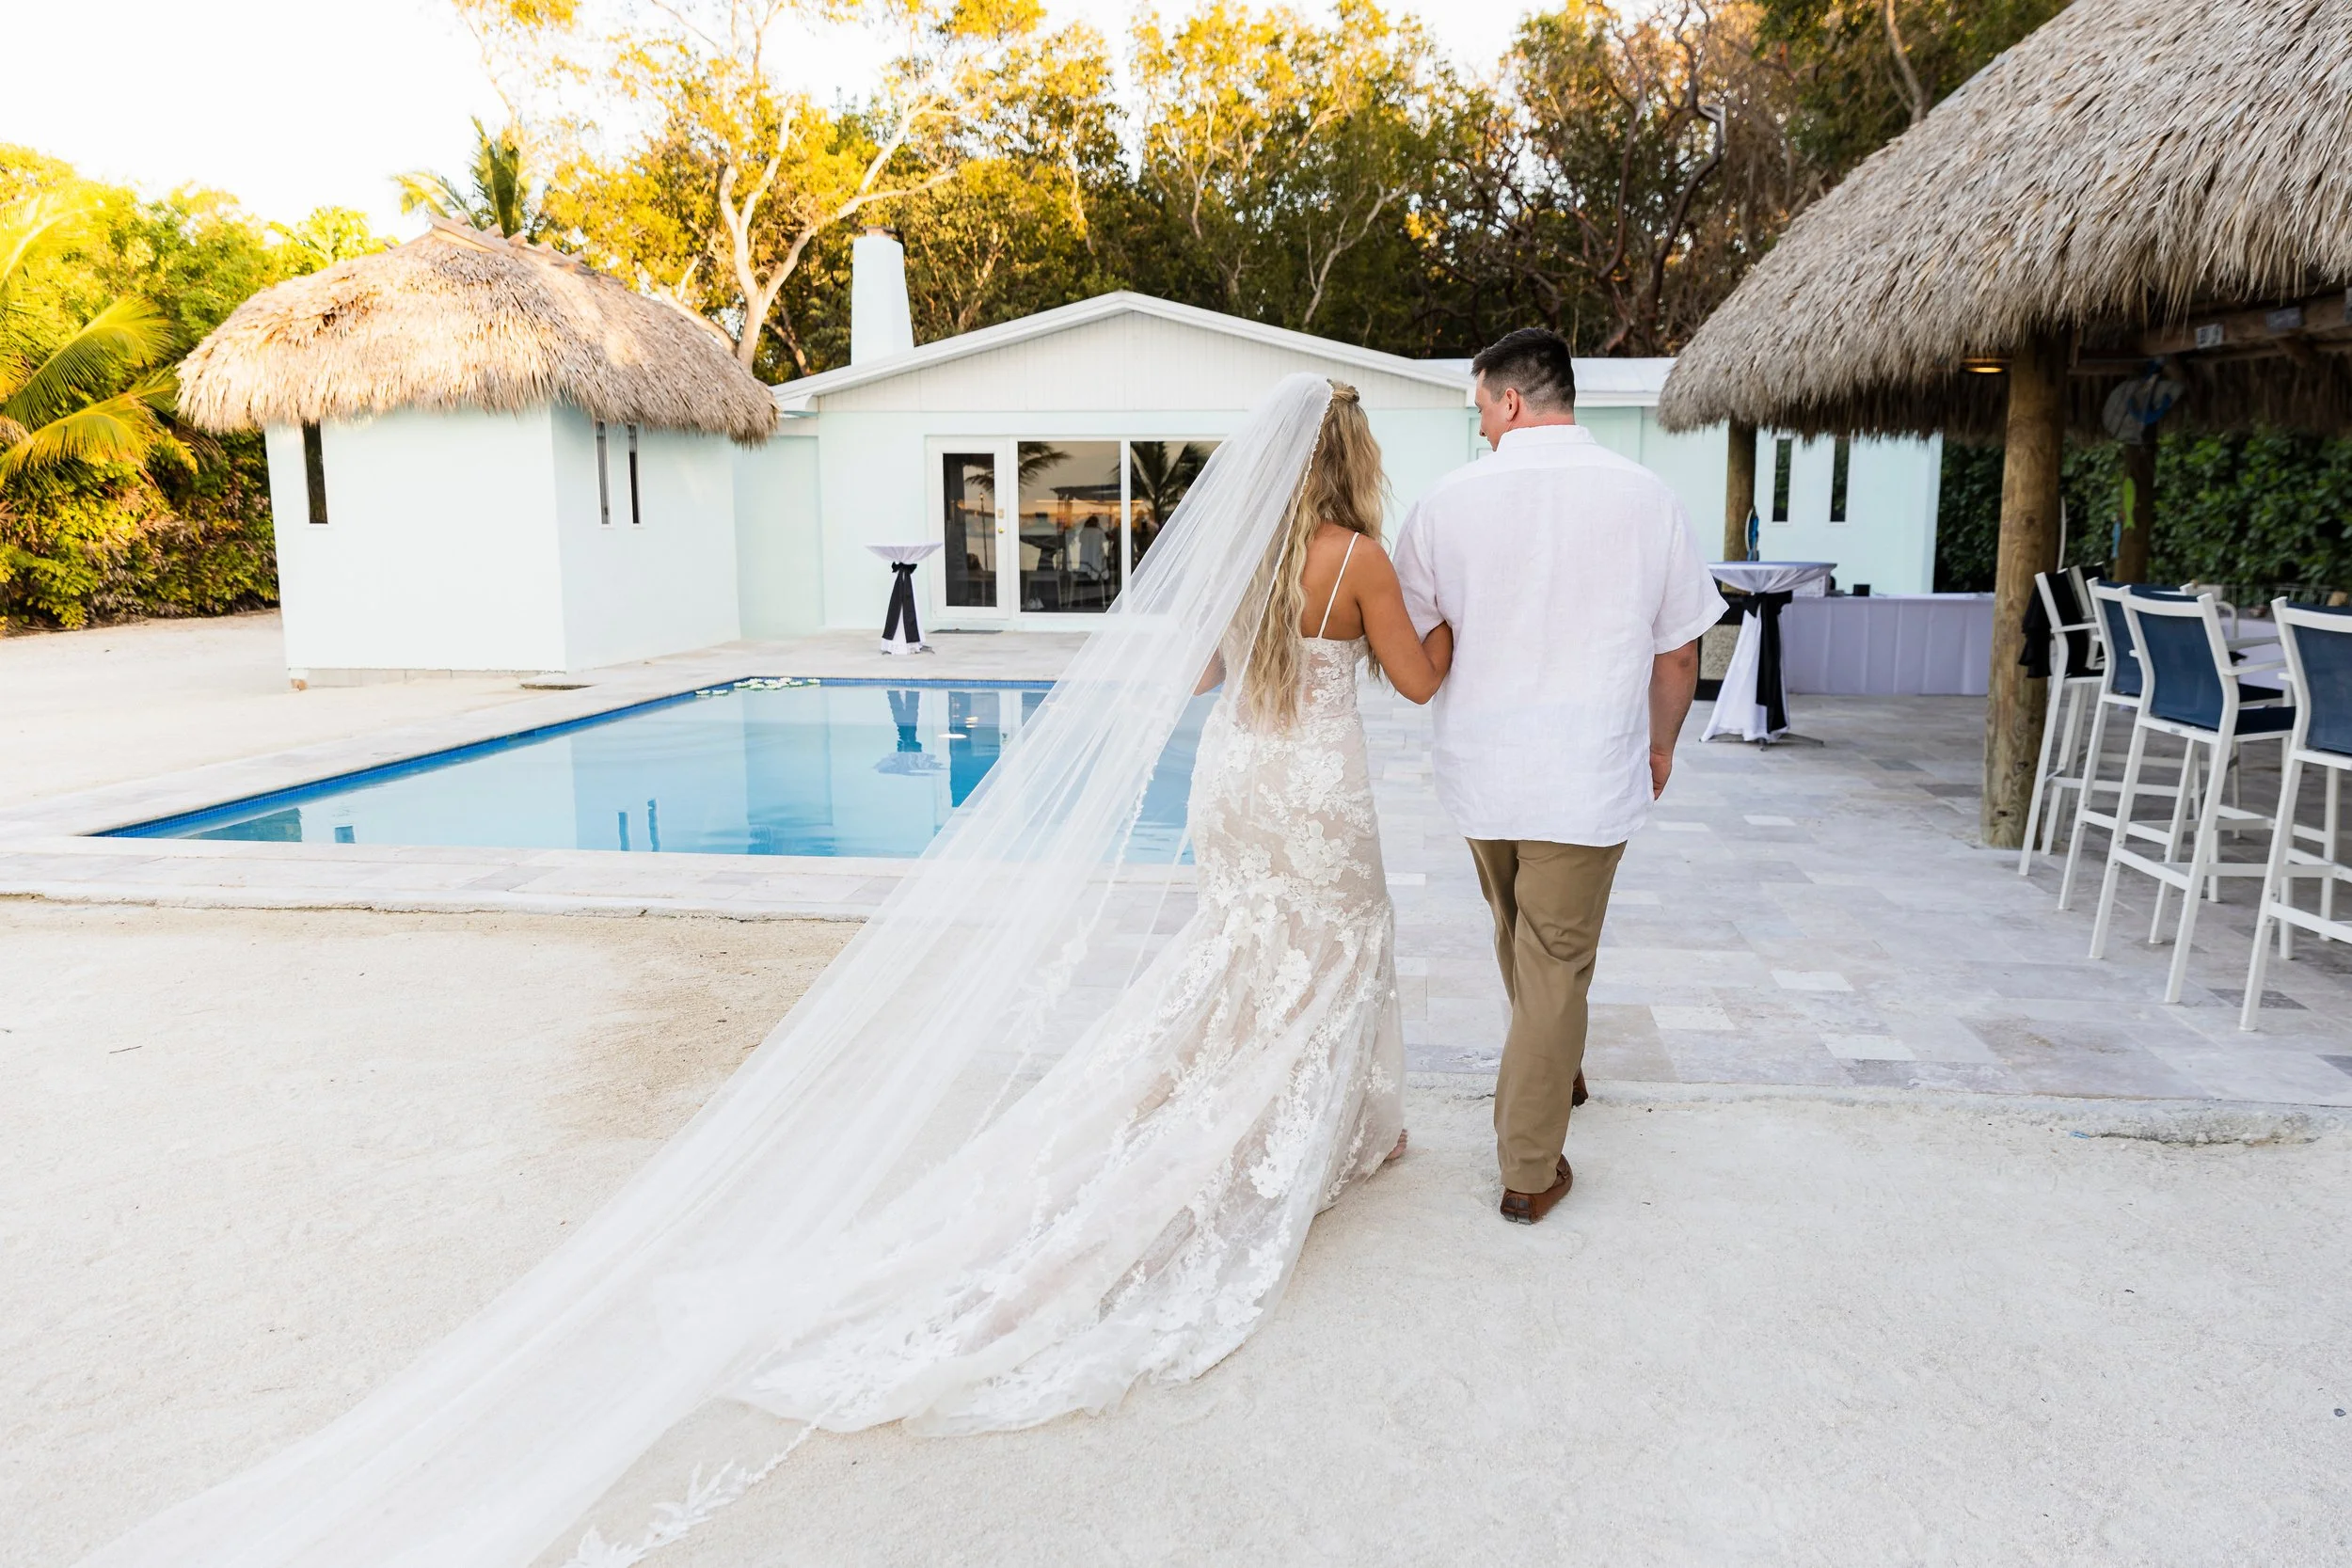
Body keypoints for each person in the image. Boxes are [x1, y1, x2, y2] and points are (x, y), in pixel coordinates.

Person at [80, 376, 1452, 1568]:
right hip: (1317, 784)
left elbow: (1202, 679)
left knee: (1241, 954)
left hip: (1239, 783)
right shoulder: (1359, 560)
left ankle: (1263, 1113)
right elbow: (1419, 680)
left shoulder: (1258, 560)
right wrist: (1444, 624)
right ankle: (1333, 1130)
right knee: (1334, 952)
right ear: (1352, 463)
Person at [1395, 327, 1724, 1227]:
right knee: (1553, 955)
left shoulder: (1444, 503)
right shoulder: (1647, 497)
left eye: (1481, 414)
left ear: (1509, 400)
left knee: (1523, 937)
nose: (1482, 430)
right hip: (1584, 771)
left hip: (1483, 767)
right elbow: (1679, 653)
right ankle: (1530, 1169)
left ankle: (1555, 1062)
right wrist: (1662, 744)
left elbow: (1423, 646)